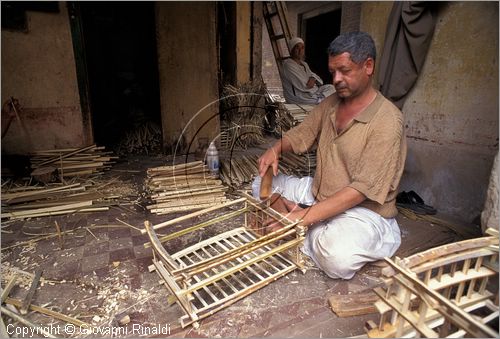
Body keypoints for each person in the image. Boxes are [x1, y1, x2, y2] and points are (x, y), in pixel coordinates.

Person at [253, 31, 407, 280]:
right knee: (259, 182)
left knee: (336, 258)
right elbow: (304, 132)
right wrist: (275, 149)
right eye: (332, 72)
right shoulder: (331, 103)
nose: (336, 79)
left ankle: (306, 224)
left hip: (364, 211)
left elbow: (360, 190)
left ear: (368, 66)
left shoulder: (388, 121)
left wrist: (301, 217)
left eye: (344, 71)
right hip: (318, 192)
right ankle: (310, 220)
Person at [281, 37, 335, 105]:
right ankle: (320, 100)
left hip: (311, 92)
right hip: (299, 97)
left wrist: (312, 78)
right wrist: (313, 80)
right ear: (291, 50)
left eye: (302, 48)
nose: (300, 51)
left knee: (332, 87)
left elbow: (316, 78)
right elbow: (305, 85)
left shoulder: (304, 64)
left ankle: (320, 100)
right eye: (297, 48)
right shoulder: (288, 65)